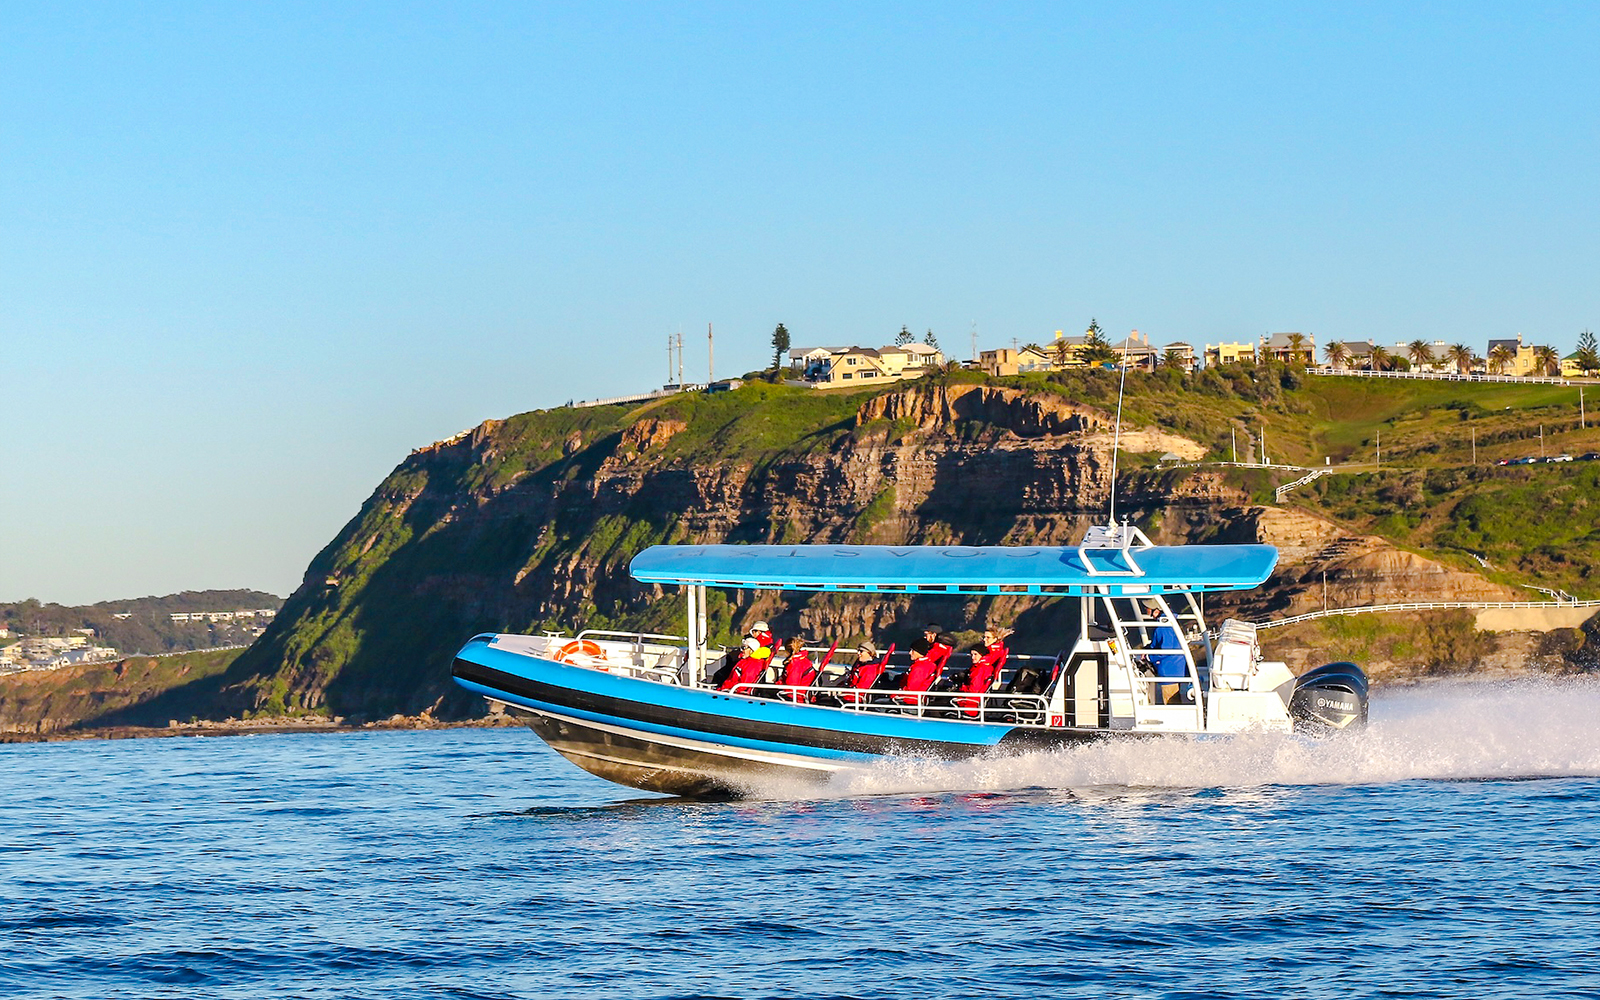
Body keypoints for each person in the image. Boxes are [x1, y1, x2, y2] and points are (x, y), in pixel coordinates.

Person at [955, 627, 1009, 719]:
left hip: (972, 699)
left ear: (995, 639)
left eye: (988, 637)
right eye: (984, 637)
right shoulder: (993, 653)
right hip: (977, 689)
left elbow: (975, 686)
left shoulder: (988, 658)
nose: (984, 640)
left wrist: (961, 687)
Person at [1141, 600, 1188, 704]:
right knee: (1174, 699)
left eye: (1147, 608)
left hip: (1169, 671)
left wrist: (1149, 657)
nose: (1146, 610)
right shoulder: (1168, 622)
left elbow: (1165, 650)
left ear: (1155, 609)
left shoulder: (1164, 626)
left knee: (1171, 702)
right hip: (1175, 668)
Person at [897, 624, 953, 706]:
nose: (925, 637)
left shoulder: (936, 650)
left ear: (933, 635)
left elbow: (923, 664)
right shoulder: (937, 648)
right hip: (920, 679)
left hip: (918, 683)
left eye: (926, 635)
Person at [778, 637, 818, 703]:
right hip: (801, 693)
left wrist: (779, 684)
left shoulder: (795, 664)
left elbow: (792, 685)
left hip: (796, 697)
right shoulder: (803, 660)